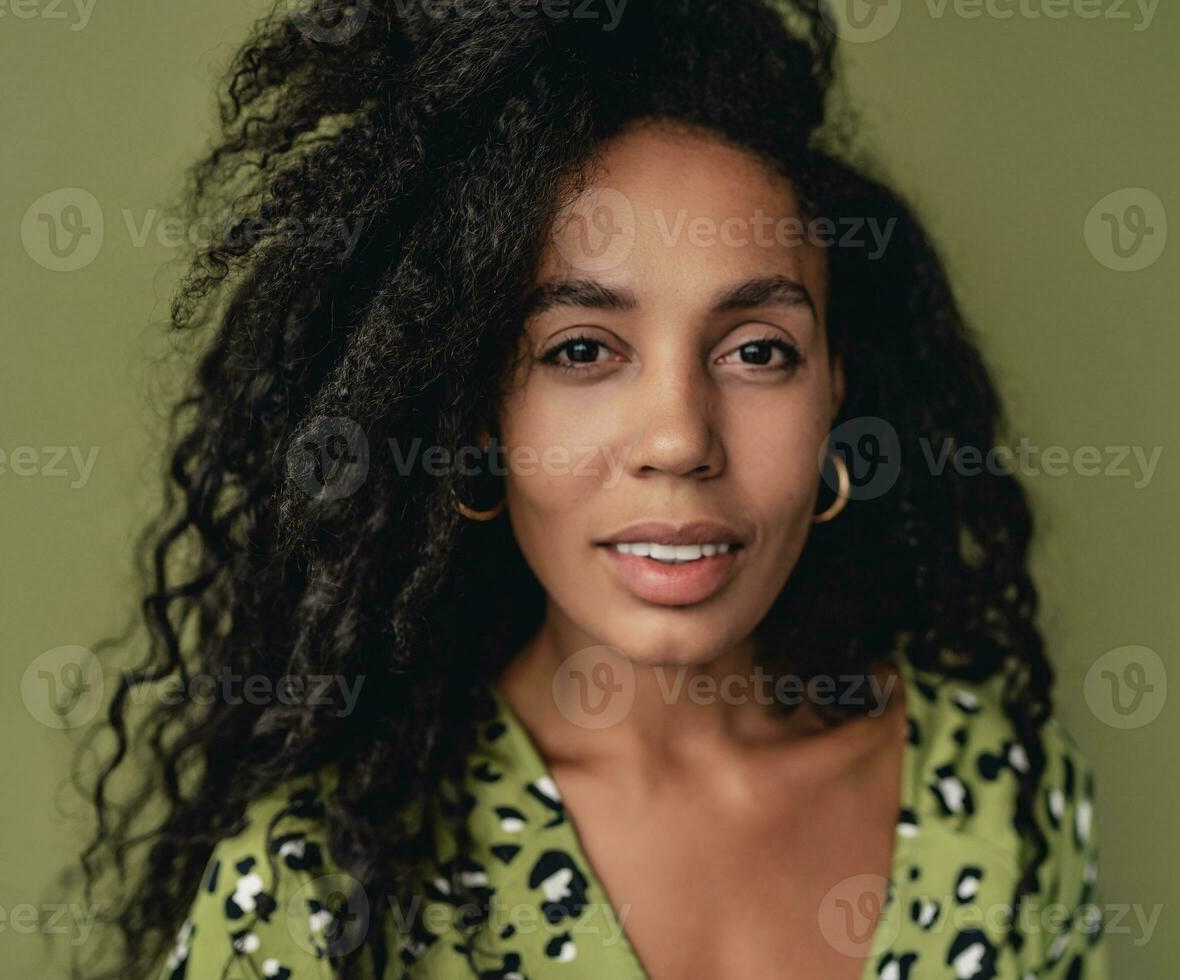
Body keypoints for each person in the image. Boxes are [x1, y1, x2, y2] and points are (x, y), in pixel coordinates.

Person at [74, 2, 1108, 978]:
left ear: (835, 390)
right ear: (480, 415)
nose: (679, 437)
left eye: (757, 350)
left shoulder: (1003, 791)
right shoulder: (319, 883)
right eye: (581, 348)